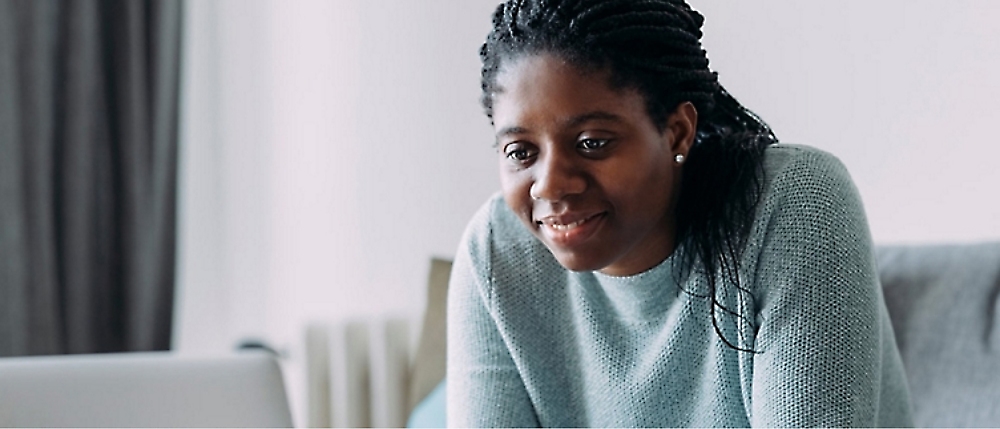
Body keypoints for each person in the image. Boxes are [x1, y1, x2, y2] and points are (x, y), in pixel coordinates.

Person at [446, 0, 914, 427]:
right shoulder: (497, 253)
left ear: (676, 132)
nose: (549, 184)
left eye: (592, 143)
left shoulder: (794, 205)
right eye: (520, 151)